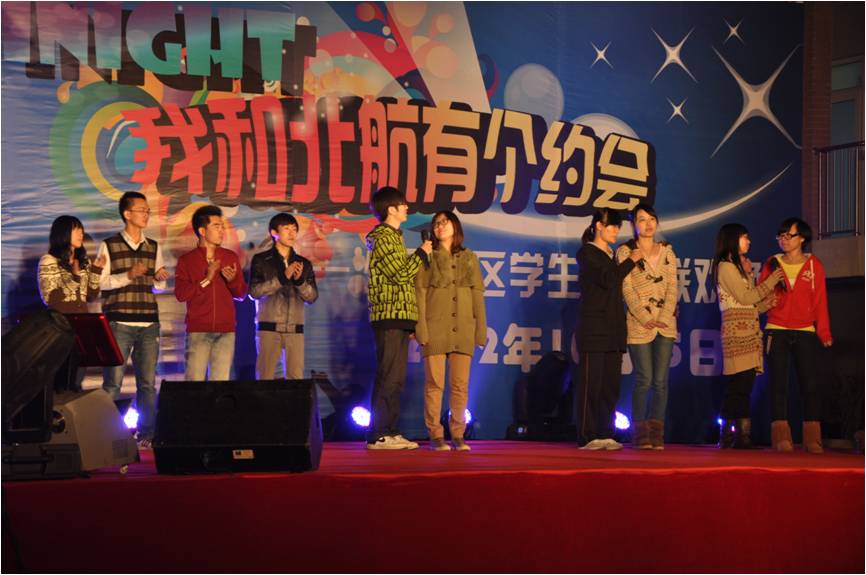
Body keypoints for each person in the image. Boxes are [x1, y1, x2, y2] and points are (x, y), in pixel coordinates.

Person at [97, 191, 170, 448]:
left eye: (148, 210)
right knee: (112, 384)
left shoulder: (153, 246)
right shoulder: (109, 245)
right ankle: (106, 437)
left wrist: (159, 279)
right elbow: (101, 282)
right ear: (127, 214)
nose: (146, 214)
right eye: (142, 210)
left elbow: (158, 286)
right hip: (119, 322)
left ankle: (147, 435)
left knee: (147, 384)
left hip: (149, 322)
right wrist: (128, 275)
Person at [365, 186, 432, 450]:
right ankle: (379, 434)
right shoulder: (383, 236)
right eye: (402, 204)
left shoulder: (395, 236)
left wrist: (411, 320)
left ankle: (391, 431)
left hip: (400, 316)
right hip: (388, 316)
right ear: (391, 209)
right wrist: (421, 253)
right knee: (389, 375)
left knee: (397, 378)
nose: (406, 208)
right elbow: (401, 274)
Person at [758, 218, 832, 453]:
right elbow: (760, 293)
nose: (783, 240)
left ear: (802, 238)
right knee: (778, 384)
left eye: (788, 236)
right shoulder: (772, 263)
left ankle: (812, 438)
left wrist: (824, 331)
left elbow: (820, 300)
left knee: (809, 384)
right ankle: (781, 436)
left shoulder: (814, 265)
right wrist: (766, 302)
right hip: (776, 329)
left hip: (805, 331)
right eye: (780, 236)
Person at [415, 211, 487, 451]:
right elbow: (420, 294)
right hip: (435, 328)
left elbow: (477, 296)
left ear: (455, 226)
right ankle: (435, 435)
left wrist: (480, 329)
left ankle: (458, 434)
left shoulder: (470, 258)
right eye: (436, 223)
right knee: (434, 384)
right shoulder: (427, 256)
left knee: (460, 385)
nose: (440, 226)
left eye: (444, 222)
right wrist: (421, 328)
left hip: (463, 329)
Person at [711, 223, 783, 449]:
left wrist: (765, 304)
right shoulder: (725, 267)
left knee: (744, 386)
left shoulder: (738, 267)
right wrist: (770, 282)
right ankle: (734, 435)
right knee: (739, 386)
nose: (748, 241)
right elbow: (745, 297)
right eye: (744, 237)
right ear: (733, 239)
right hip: (736, 333)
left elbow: (747, 305)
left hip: (749, 332)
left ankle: (737, 435)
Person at [576, 208, 643, 450]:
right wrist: (631, 261)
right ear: (598, 226)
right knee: (591, 385)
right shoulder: (587, 253)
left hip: (614, 330)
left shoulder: (612, 254)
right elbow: (607, 279)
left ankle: (605, 432)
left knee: (610, 387)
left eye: (618, 227)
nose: (615, 231)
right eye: (611, 226)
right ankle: (587, 435)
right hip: (594, 329)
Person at [616, 204, 677, 450]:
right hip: (639, 324)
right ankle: (640, 433)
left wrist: (664, 316)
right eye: (642, 219)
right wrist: (644, 316)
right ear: (634, 224)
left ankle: (657, 432)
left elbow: (672, 286)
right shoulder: (625, 251)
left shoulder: (667, 251)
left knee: (661, 381)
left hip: (665, 324)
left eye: (652, 219)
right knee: (645, 378)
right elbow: (626, 289)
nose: (648, 224)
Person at [175, 205, 247, 381]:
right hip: (198, 330)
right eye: (216, 226)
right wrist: (207, 278)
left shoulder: (230, 257)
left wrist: (232, 280)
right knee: (194, 383)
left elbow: (241, 294)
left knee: (220, 385)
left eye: (222, 226)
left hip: (226, 331)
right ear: (202, 231)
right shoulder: (187, 260)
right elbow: (181, 294)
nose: (222, 230)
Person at [38, 215, 106, 390]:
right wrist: (74, 278)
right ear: (63, 232)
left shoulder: (83, 261)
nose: (81, 233)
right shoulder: (49, 260)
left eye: (81, 229)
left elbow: (90, 295)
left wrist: (96, 270)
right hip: (60, 328)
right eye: (76, 229)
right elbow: (50, 299)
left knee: (77, 380)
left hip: (81, 328)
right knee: (60, 381)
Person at [249, 213, 318, 380]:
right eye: (286, 229)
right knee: (265, 377)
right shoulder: (261, 260)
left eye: (294, 229)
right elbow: (254, 292)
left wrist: (300, 281)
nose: (291, 233)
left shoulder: (304, 263)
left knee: (296, 379)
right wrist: (282, 278)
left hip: (295, 330)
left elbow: (312, 297)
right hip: (269, 329)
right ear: (274, 233)